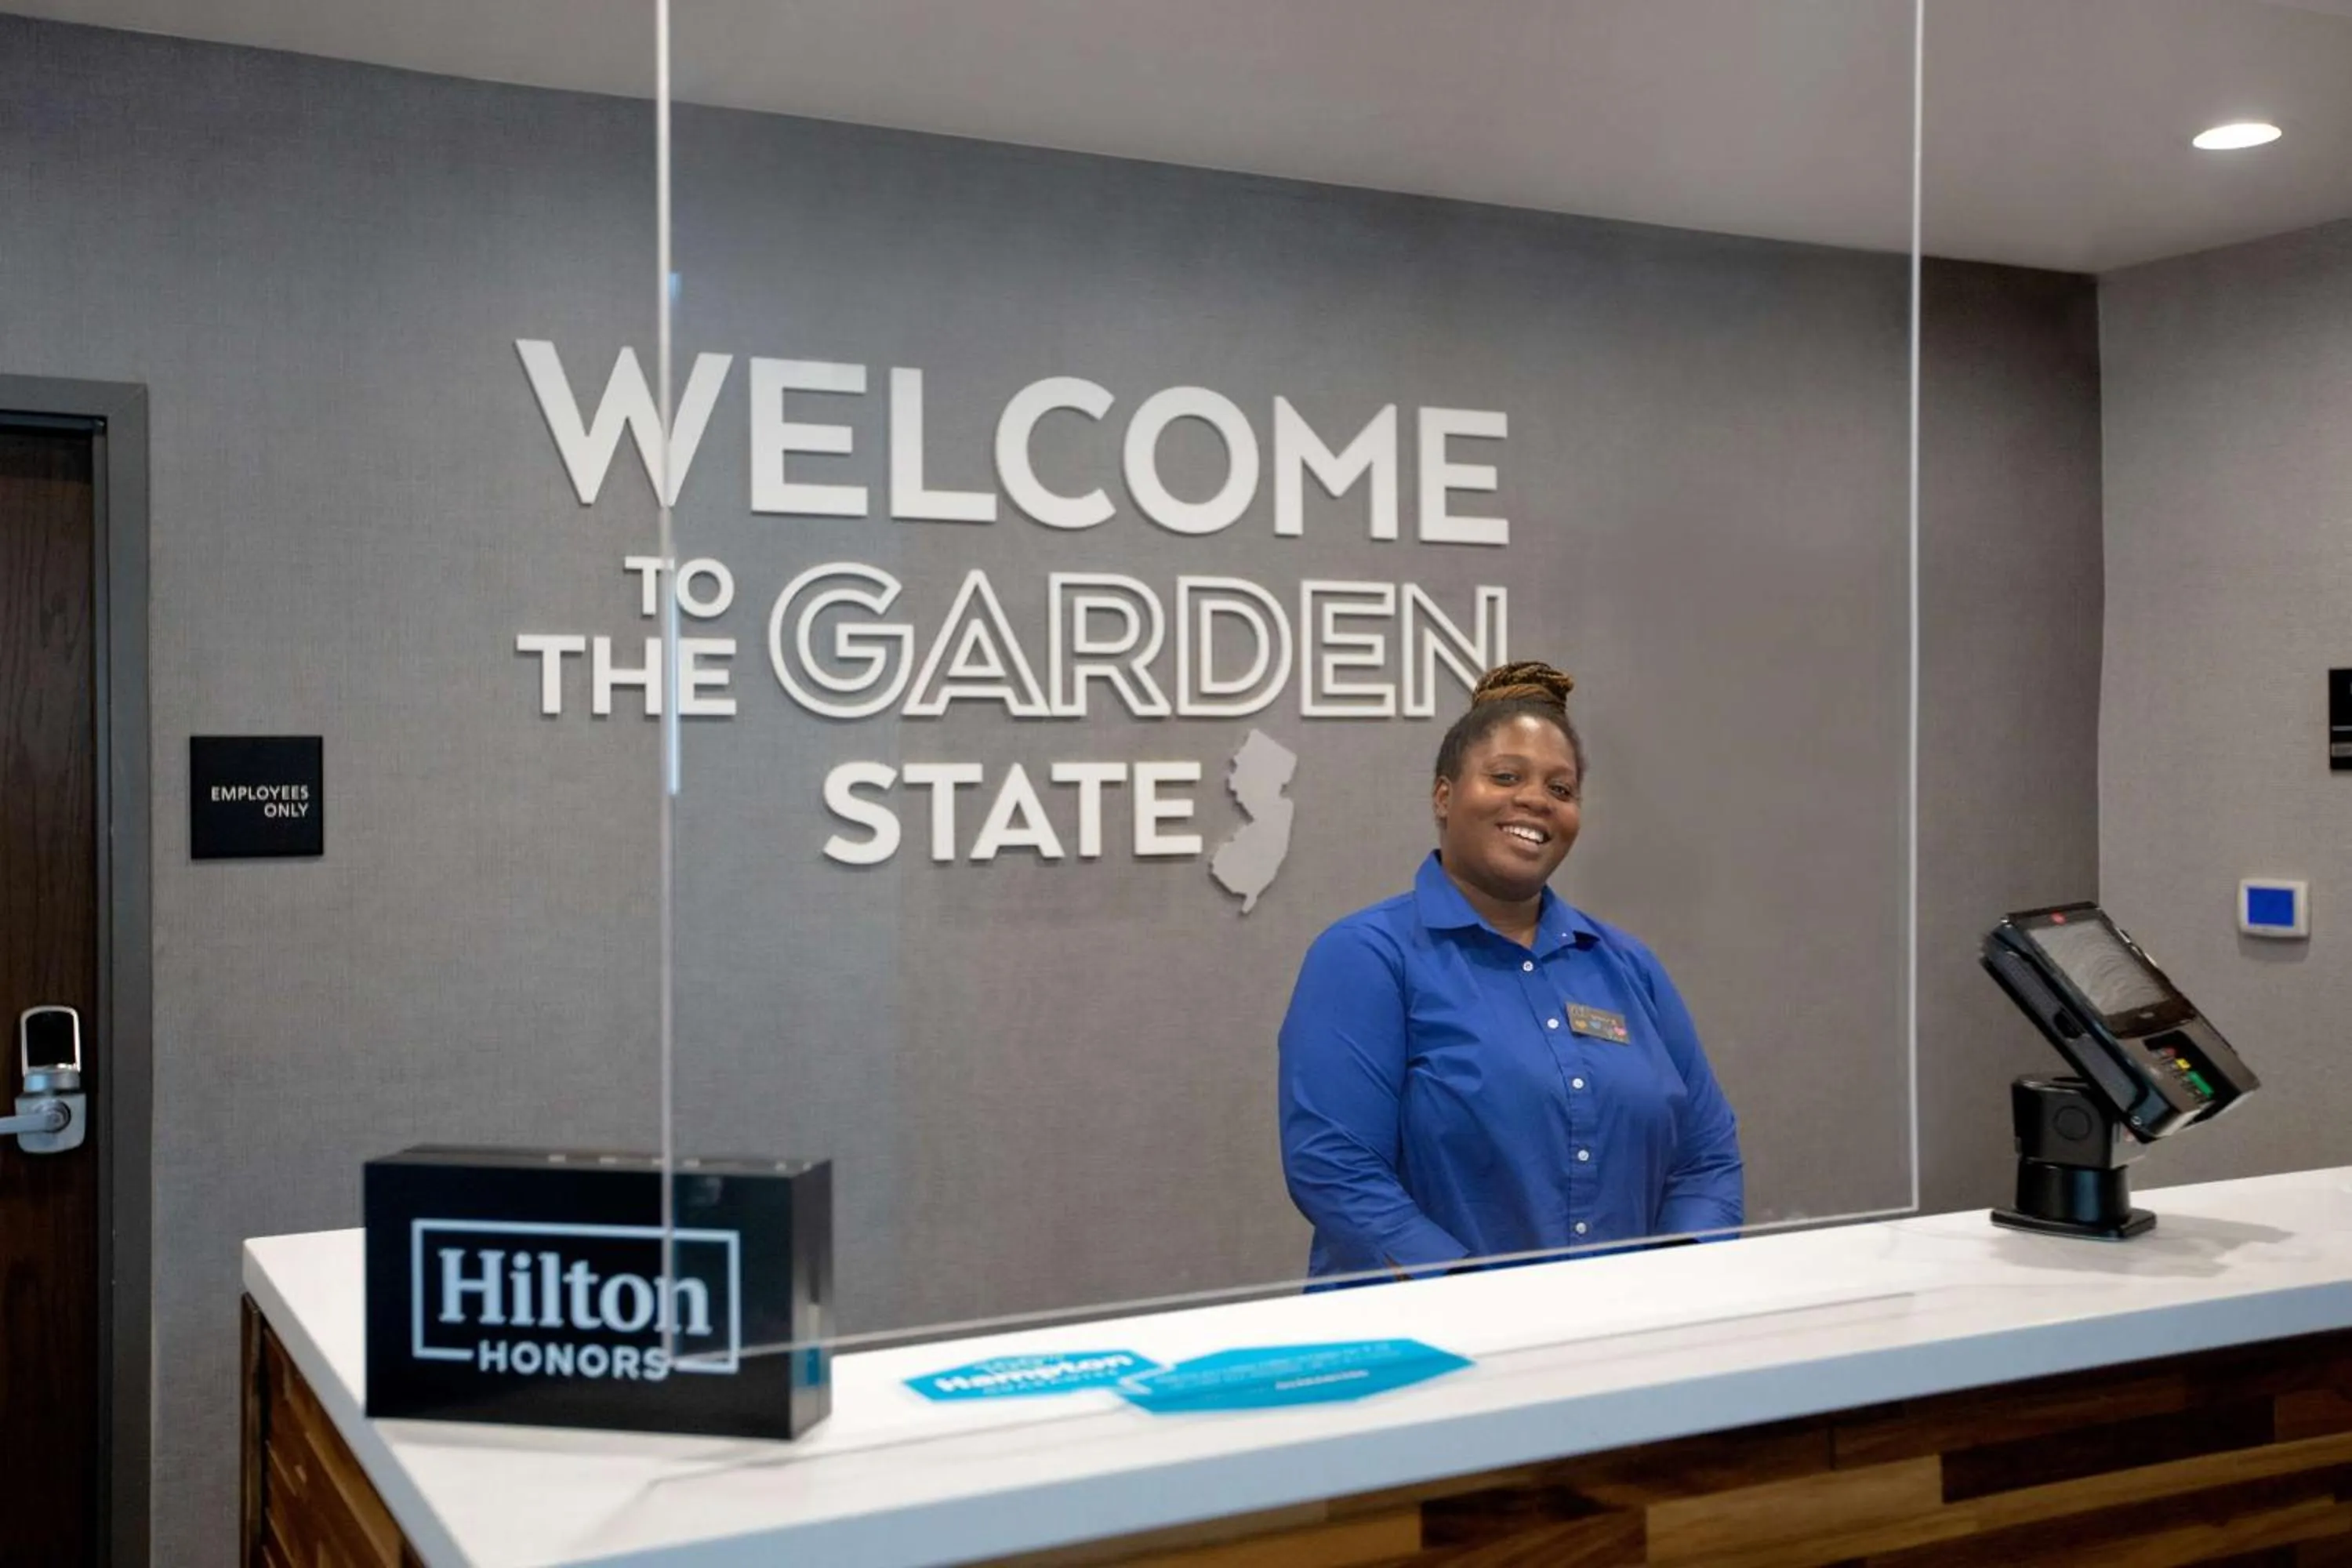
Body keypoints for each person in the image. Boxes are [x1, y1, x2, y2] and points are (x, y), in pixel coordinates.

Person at [1278, 660, 1743, 1282]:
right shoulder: (1367, 956)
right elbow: (1336, 1167)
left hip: (1618, 1343)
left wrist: (1665, 1285)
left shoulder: (1628, 966)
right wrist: (1486, 1305)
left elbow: (1708, 1161)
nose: (1535, 801)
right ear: (1444, 796)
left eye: (1561, 789)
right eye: (1505, 776)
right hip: (1436, 1345)